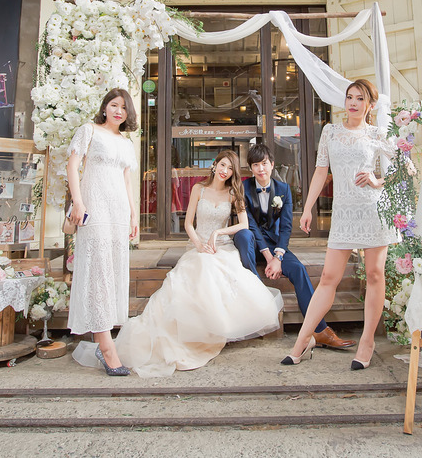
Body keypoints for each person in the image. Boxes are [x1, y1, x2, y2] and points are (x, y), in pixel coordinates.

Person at [115, 150, 283, 378]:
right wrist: (198, 242)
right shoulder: (198, 189)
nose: (225, 171)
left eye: (231, 168)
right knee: (199, 267)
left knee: (217, 269)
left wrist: (219, 232)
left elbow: (243, 224)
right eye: (223, 165)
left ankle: (215, 326)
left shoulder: (234, 192)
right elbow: (189, 224)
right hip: (198, 246)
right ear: (214, 165)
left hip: (222, 247)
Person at [282, 79, 398, 370]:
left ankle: (367, 341)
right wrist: (307, 208)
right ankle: (303, 340)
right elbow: (321, 171)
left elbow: (403, 170)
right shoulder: (330, 131)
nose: (353, 103)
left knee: (374, 275)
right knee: (328, 278)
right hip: (344, 213)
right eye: (349, 97)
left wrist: (377, 179)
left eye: (360, 98)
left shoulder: (378, 133)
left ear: (370, 105)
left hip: (372, 210)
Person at [233, 143, 355, 351]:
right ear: (250, 168)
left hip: (275, 246)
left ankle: (320, 329)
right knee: (244, 236)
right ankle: (255, 296)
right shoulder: (243, 188)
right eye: (255, 165)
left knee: (298, 269)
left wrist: (278, 257)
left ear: (272, 165)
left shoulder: (283, 190)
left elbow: (287, 225)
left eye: (264, 164)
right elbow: (251, 225)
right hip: (252, 244)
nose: (261, 169)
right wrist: (268, 257)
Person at [65, 88, 139, 377]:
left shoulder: (126, 142)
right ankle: (107, 348)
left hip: (118, 209)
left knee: (112, 271)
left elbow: (127, 179)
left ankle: (103, 340)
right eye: (113, 105)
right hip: (93, 206)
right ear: (105, 107)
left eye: (123, 107)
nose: (118, 110)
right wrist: (78, 201)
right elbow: (72, 164)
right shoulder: (89, 131)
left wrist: (133, 213)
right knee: (97, 272)